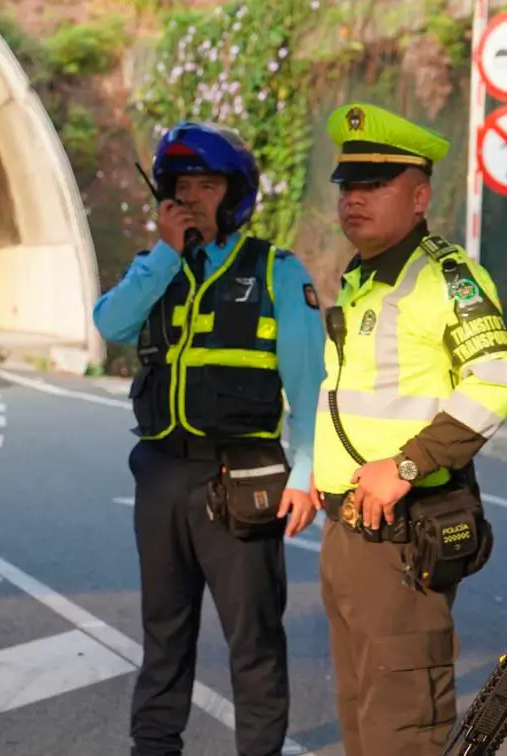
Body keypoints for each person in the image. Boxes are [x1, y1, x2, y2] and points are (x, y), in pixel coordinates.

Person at [92, 121, 326, 756]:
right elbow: (109, 323)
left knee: (253, 639)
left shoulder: (276, 271)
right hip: (162, 475)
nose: (193, 197)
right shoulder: (156, 269)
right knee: (163, 632)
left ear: (236, 194)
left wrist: (304, 477)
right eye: (182, 184)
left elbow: (307, 386)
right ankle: (154, 745)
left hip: (240, 481)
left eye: (208, 184)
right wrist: (166, 254)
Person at [310, 102, 507, 755]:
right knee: (361, 716)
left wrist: (406, 465)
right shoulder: (365, 278)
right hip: (348, 534)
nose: (354, 200)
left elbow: (498, 377)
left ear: (421, 194)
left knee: (402, 730)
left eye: (375, 185)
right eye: (348, 185)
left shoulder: (442, 276)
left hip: (402, 535)